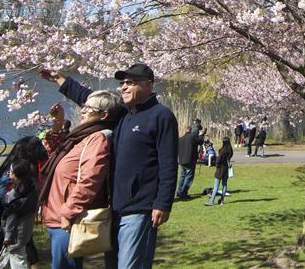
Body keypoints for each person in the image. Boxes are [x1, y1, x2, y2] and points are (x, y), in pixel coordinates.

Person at [41, 63, 179, 269]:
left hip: (140, 208)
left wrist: (163, 203)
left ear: (148, 85)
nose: (124, 87)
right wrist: (60, 80)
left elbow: (168, 163)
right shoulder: (123, 114)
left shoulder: (161, 116)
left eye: (130, 83)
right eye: (122, 83)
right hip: (114, 208)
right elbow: (91, 100)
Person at [39, 93, 120, 269]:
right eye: (84, 106)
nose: (83, 110)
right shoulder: (81, 136)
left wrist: (68, 212)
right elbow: (53, 154)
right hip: (56, 215)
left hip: (68, 220)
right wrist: (59, 122)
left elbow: (90, 180)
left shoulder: (97, 138)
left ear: (104, 114)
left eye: (89, 108)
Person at [0, 159, 38, 269]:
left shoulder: (15, 195)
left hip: (16, 232)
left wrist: (8, 235)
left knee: (17, 257)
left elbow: (12, 215)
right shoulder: (32, 188)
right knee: (7, 253)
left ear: (17, 174)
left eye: (11, 171)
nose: (9, 173)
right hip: (26, 228)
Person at [205, 137, 233, 206]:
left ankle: (211, 201)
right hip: (226, 169)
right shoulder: (230, 150)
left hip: (220, 169)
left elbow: (218, 160)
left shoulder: (223, 151)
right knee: (224, 185)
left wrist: (216, 165)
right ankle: (222, 200)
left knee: (216, 186)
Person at [176, 126, 199, 199]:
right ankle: (183, 192)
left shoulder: (180, 139)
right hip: (189, 161)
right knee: (189, 177)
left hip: (181, 161)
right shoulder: (192, 137)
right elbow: (200, 141)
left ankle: (179, 191)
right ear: (191, 131)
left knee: (182, 176)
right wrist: (202, 135)